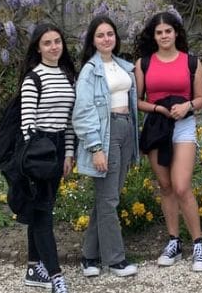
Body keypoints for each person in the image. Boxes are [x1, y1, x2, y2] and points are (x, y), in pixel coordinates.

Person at [134, 12, 202, 272]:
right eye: (159, 32)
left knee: (181, 185)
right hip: (157, 126)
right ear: (153, 36)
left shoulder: (192, 62)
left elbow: (201, 98)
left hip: (183, 125)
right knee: (165, 186)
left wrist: (186, 105)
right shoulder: (144, 63)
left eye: (168, 31)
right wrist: (158, 110)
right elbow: (137, 100)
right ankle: (174, 241)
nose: (164, 36)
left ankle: (198, 243)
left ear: (176, 33)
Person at [72, 15, 139, 278]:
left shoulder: (123, 65)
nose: (106, 39)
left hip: (125, 129)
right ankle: (115, 260)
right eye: (100, 35)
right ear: (92, 40)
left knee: (107, 198)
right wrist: (96, 147)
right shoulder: (91, 70)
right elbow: (83, 110)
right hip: (106, 133)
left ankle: (89, 256)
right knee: (109, 200)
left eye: (110, 34)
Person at [19, 23, 76, 293]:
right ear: (38, 47)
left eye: (57, 41)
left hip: (57, 147)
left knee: (42, 208)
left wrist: (68, 152)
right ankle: (55, 276)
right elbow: (27, 124)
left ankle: (33, 267)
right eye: (47, 43)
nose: (54, 47)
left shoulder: (66, 75)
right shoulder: (33, 78)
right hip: (39, 150)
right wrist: (34, 162)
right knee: (43, 215)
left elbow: (69, 122)